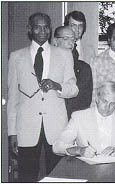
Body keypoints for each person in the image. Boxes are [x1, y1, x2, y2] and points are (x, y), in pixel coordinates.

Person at [7, 12, 78, 182]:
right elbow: (13, 98)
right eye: (37, 27)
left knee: (58, 176)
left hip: (56, 128)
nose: (42, 31)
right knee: (27, 176)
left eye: (46, 26)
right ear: (29, 29)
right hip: (26, 129)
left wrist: (57, 86)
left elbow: (73, 89)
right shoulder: (16, 57)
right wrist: (12, 133)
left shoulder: (64, 54)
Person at [53, 81, 115, 157]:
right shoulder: (79, 117)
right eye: (104, 101)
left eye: (112, 103)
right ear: (97, 98)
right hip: (87, 171)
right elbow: (57, 146)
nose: (107, 107)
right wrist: (79, 150)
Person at [53, 26, 93, 120]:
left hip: (73, 120)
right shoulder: (47, 65)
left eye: (73, 40)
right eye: (66, 38)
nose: (70, 43)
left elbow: (85, 101)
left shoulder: (84, 68)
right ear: (55, 41)